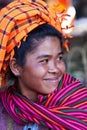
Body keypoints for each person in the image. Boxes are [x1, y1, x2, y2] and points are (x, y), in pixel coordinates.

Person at [0, 0, 87, 130]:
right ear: (16, 66)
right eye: (44, 60)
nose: (56, 69)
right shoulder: (4, 112)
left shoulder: (78, 103)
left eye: (59, 58)